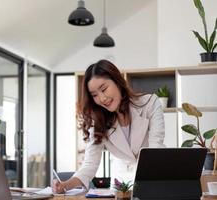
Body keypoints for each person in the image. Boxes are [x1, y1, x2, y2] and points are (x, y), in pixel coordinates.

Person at [52, 59, 165, 193]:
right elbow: (90, 164)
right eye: (94, 95)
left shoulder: (150, 103)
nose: (102, 98)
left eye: (104, 89)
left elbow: (155, 150)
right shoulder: (98, 121)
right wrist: (65, 185)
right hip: (122, 187)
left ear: (117, 81)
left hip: (153, 182)